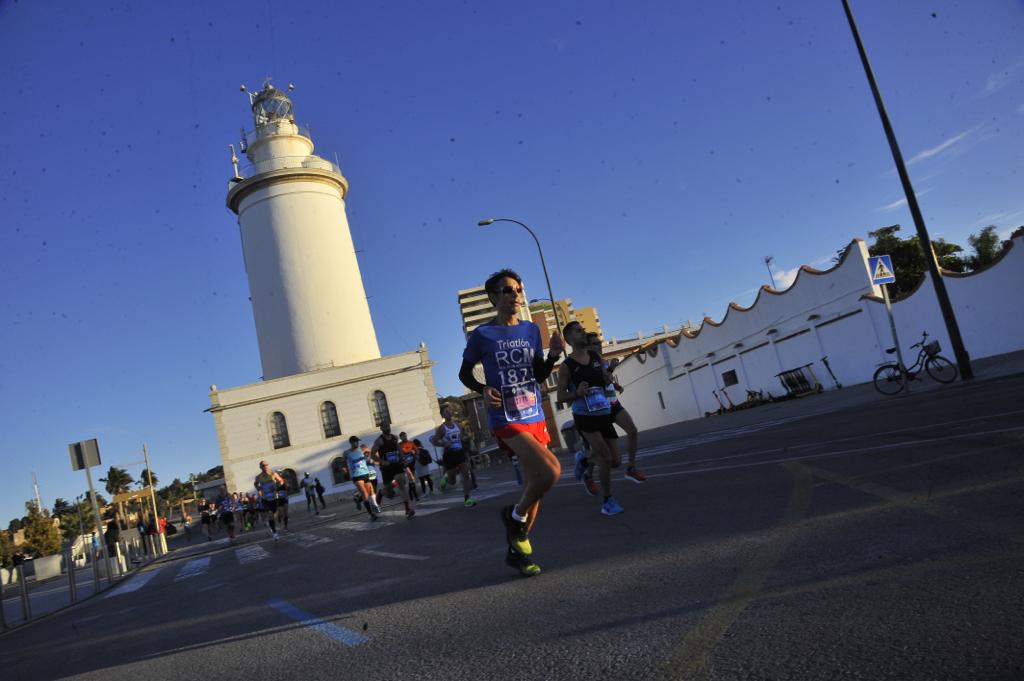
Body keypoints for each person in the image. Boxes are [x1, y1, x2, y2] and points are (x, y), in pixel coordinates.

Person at [459, 268, 564, 577]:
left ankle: (518, 550)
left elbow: (538, 375)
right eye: (508, 290)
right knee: (551, 471)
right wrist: (483, 389)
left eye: (518, 289)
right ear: (494, 297)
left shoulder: (531, 330)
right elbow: (465, 374)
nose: (515, 294)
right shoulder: (482, 335)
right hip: (505, 416)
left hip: (533, 412)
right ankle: (514, 517)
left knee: (537, 484)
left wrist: (554, 357)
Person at [558, 321, 625, 516]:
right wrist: (577, 393)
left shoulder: (595, 356)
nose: (583, 333)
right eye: (578, 331)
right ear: (569, 338)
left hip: (603, 412)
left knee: (616, 461)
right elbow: (561, 397)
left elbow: (605, 379)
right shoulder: (567, 366)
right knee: (604, 457)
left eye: (583, 330)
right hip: (584, 415)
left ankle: (585, 461)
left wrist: (609, 375)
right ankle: (608, 501)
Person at [587, 332, 646, 484]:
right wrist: (612, 369)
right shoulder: (587, 364)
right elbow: (599, 381)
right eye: (594, 343)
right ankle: (586, 468)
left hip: (613, 404)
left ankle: (631, 468)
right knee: (607, 455)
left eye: (599, 343)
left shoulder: (603, 361)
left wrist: (615, 385)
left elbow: (606, 381)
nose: (598, 345)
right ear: (587, 347)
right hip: (600, 409)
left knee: (632, 430)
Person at [430, 404, 476, 507]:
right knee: (452, 481)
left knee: (466, 474)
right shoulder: (441, 429)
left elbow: (462, 437)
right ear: (443, 415)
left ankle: (467, 499)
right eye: (446, 411)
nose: (449, 412)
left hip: (460, 452)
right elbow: (434, 441)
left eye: (449, 410)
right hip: (449, 455)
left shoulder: (458, 425)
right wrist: (443, 443)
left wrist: (465, 438)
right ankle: (447, 477)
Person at [371, 423, 416, 519]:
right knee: (390, 493)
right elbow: (372, 455)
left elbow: (398, 449)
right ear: (381, 428)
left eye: (388, 426)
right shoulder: (379, 441)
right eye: (385, 427)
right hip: (386, 467)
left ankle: (408, 508)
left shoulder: (395, 438)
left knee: (401, 485)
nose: (387, 428)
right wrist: (382, 461)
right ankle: (382, 493)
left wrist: (402, 458)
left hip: (396, 465)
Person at [345, 436, 381, 520]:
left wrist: (376, 460)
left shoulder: (362, 450)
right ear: (351, 442)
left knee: (370, 491)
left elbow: (371, 454)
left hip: (365, 473)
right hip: (356, 475)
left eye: (357, 441)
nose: (356, 443)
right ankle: (371, 514)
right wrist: (345, 470)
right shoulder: (347, 453)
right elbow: (344, 463)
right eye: (354, 442)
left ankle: (371, 504)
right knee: (364, 493)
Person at [255, 461, 286, 539]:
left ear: (268, 466)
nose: (265, 466)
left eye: (266, 465)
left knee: (277, 514)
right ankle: (274, 533)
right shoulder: (258, 477)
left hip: (274, 497)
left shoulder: (273, 474)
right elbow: (255, 484)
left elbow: (281, 481)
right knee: (270, 515)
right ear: (260, 467)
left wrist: (277, 487)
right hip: (265, 499)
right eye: (263, 465)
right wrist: (259, 489)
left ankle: (274, 523)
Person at [398, 432, 421, 502]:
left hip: (412, 463)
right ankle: (415, 496)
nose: (404, 438)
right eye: (402, 437)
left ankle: (411, 493)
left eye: (405, 436)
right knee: (411, 477)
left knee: (412, 479)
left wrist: (415, 453)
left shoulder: (411, 443)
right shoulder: (399, 445)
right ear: (400, 438)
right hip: (405, 464)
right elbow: (397, 454)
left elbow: (417, 451)